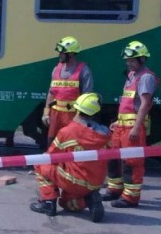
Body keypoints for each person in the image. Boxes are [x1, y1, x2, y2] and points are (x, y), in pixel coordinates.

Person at [31, 92, 110, 222]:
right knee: (65, 203)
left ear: (77, 110)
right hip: (95, 182)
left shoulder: (68, 132)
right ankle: (88, 199)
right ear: (96, 113)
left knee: (41, 163)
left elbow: (50, 156)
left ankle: (48, 204)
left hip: (74, 180)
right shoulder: (106, 134)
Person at [103, 41, 159, 208]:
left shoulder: (146, 77)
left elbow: (144, 104)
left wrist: (136, 127)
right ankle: (115, 189)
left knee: (131, 162)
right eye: (127, 60)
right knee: (112, 157)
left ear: (142, 59)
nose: (129, 63)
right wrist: (117, 122)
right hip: (121, 126)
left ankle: (130, 198)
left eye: (132, 60)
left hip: (132, 127)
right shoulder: (132, 76)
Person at [42, 36, 94, 145]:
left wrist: (79, 117)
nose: (59, 55)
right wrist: (46, 113)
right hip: (55, 115)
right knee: (52, 144)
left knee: (70, 144)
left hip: (73, 115)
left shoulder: (83, 70)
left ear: (71, 54)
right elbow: (51, 92)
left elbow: (87, 97)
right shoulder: (56, 69)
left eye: (62, 53)